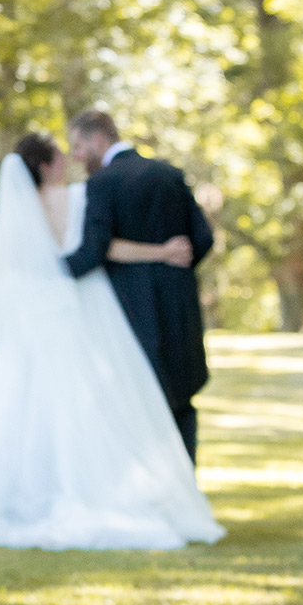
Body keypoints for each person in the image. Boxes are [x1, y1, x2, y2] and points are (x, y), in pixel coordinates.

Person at [0, 132, 222, 550]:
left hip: (41, 316)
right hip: (82, 309)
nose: (67, 158)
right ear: (45, 165)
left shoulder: (19, 211)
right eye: (58, 154)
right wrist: (160, 252)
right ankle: (109, 493)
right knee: (102, 404)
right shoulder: (76, 196)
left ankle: (26, 495)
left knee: (31, 405)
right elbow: (103, 248)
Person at [63, 109, 217, 462]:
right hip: (180, 307)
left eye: (78, 146)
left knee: (139, 399)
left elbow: (93, 251)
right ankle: (186, 490)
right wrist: (173, 261)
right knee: (181, 399)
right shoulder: (168, 174)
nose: (76, 156)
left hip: (131, 311)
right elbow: (203, 238)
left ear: (98, 139)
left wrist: (48, 272)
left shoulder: (102, 183)